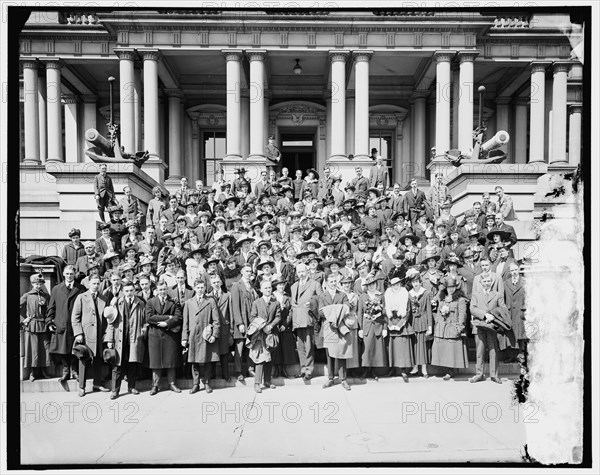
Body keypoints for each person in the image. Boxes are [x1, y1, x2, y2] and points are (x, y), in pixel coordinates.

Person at [104, 280, 146, 399]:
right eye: (126, 291)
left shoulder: (140, 303)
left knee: (132, 363)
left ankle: (131, 386)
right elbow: (111, 322)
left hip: (134, 337)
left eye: (131, 290)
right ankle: (115, 390)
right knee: (117, 366)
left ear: (135, 291)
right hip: (119, 338)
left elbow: (144, 320)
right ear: (123, 291)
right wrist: (110, 339)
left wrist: (143, 331)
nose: (129, 293)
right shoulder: (117, 302)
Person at [71, 274, 111, 396]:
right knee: (83, 358)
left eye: (98, 283)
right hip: (85, 335)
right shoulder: (81, 297)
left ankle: (97, 384)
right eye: (93, 283)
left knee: (98, 359)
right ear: (88, 284)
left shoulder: (103, 298)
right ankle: (81, 387)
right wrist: (78, 333)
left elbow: (108, 318)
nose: (96, 286)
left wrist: (107, 334)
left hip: (99, 335)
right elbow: (75, 317)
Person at [46, 265, 85, 384]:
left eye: (71, 274)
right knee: (62, 349)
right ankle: (66, 371)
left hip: (75, 325)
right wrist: (49, 321)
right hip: (61, 323)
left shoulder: (81, 289)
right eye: (67, 274)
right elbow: (51, 307)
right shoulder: (56, 289)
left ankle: (74, 370)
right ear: (63, 274)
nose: (69, 276)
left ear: (74, 275)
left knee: (74, 348)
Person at [469, 273, 510, 384]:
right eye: (484, 281)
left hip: (492, 326)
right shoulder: (476, 295)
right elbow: (472, 309)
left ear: (491, 283)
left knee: (493, 350)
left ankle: (494, 375)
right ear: (480, 283)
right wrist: (484, 315)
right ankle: (479, 374)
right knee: (480, 351)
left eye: (488, 281)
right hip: (479, 325)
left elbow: (503, 309)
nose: (486, 283)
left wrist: (493, 316)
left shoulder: (497, 295)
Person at [182, 279, 221, 394]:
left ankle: (207, 382)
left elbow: (216, 320)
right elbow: (185, 322)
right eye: (198, 287)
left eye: (202, 287)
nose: (200, 290)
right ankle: (195, 384)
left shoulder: (210, 301)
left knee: (207, 360)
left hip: (206, 335)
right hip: (193, 335)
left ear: (205, 288)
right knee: (194, 360)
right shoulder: (189, 303)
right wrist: (184, 337)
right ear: (194, 288)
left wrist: (214, 334)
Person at [145, 281, 183, 395]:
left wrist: (167, 323)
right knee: (156, 362)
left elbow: (178, 317)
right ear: (156, 290)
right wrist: (167, 317)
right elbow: (149, 318)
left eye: (165, 289)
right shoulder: (150, 302)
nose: (163, 291)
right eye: (160, 289)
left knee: (170, 360)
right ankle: (155, 385)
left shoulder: (174, 301)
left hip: (170, 334)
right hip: (155, 334)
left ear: (167, 289)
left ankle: (172, 384)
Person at [317, 273, 352, 391]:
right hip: (328, 327)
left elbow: (346, 308)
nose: (333, 284)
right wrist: (337, 310)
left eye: (335, 281)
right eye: (331, 281)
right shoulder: (322, 296)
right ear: (326, 283)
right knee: (330, 354)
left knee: (341, 352)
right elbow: (320, 312)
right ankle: (330, 378)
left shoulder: (342, 295)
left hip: (340, 326)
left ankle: (343, 379)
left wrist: (332, 312)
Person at [431, 277, 469, 380]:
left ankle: (451, 371)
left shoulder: (460, 299)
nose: (451, 289)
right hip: (442, 327)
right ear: (446, 288)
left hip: (453, 327)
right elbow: (436, 309)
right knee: (443, 349)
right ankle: (446, 369)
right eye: (449, 287)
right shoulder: (442, 298)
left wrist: (459, 327)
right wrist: (437, 322)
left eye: (453, 287)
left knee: (451, 350)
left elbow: (462, 314)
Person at [248, 280, 282, 393]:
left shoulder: (275, 303)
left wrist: (271, 326)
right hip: (259, 335)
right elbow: (252, 317)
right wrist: (262, 326)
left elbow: (278, 316)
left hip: (271, 334)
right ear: (261, 290)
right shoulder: (256, 303)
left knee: (269, 358)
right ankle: (257, 383)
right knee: (260, 359)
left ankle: (267, 380)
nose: (268, 290)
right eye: (266, 288)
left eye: (269, 288)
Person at [20, 273, 51, 382]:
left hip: (43, 324)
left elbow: (50, 310)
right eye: (36, 283)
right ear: (32, 284)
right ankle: (33, 373)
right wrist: (23, 320)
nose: (38, 285)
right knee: (33, 350)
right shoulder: (27, 295)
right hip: (32, 325)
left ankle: (43, 371)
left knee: (44, 349)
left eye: (40, 283)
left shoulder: (46, 296)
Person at [230, 264, 259, 381]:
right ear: (242, 272)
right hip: (242, 321)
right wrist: (240, 323)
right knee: (240, 347)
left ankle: (250, 369)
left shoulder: (251, 285)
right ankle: (238, 371)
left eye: (250, 271)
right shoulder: (236, 286)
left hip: (251, 320)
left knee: (250, 346)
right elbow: (235, 306)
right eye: (247, 271)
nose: (249, 273)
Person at [358, 273, 388, 380]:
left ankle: (374, 371)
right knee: (367, 349)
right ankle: (366, 371)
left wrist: (385, 328)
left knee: (376, 349)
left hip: (378, 325)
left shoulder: (380, 296)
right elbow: (360, 313)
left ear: (376, 284)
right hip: (367, 326)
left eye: (373, 284)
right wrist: (360, 328)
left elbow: (385, 313)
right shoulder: (363, 296)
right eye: (369, 284)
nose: (371, 286)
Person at [384, 276, 413, 382]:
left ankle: (404, 370)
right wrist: (390, 324)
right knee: (392, 348)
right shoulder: (387, 295)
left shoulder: (405, 294)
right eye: (393, 285)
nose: (395, 287)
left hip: (402, 324)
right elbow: (385, 311)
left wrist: (400, 324)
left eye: (397, 285)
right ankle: (392, 369)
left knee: (402, 348)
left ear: (400, 285)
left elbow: (408, 311)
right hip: (391, 322)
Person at [406, 268, 433, 378]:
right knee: (415, 345)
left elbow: (429, 311)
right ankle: (415, 366)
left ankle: (424, 368)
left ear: (420, 282)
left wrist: (429, 326)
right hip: (413, 322)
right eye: (413, 282)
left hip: (423, 321)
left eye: (417, 282)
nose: (415, 284)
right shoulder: (409, 294)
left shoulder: (426, 293)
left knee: (422, 345)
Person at [208, 274, 233, 382]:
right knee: (213, 351)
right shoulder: (208, 296)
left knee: (224, 351)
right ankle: (212, 374)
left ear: (221, 282)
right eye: (214, 283)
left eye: (218, 282)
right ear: (210, 284)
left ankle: (225, 374)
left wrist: (231, 328)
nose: (216, 284)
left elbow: (231, 312)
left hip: (224, 326)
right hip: (213, 326)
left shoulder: (227, 295)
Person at [271, 278, 297, 378]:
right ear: (276, 286)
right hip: (274, 325)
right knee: (276, 348)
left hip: (285, 325)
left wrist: (285, 324)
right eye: (279, 285)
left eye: (282, 284)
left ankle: (284, 369)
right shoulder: (272, 296)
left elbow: (291, 312)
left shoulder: (287, 297)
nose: (281, 286)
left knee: (285, 347)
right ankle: (277, 369)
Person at [504, 262, 527, 361]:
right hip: (510, 311)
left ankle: (521, 354)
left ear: (518, 270)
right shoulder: (506, 283)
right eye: (512, 270)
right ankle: (512, 355)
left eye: (515, 270)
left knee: (521, 332)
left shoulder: (525, 281)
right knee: (511, 332)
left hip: (520, 310)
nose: (514, 272)